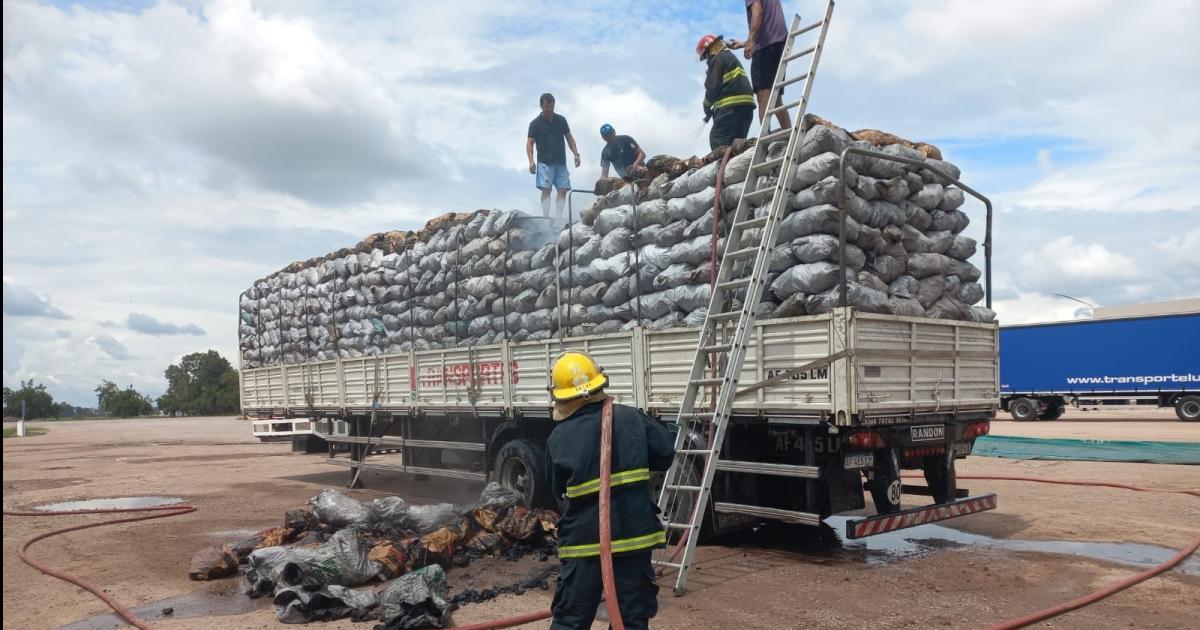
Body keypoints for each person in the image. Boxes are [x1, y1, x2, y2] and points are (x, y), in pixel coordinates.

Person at [546, 351, 675, 630]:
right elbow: (666, 452)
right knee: (631, 620)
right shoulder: (631, 418)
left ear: (560, 395)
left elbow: (556, 490)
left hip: (584, 546)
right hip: (634, 539)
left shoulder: (559, 437)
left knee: (570, 620)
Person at [729, 0, 791, 130]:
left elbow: (757, 12)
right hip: (779, 42)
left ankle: (765, 141)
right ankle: (789, 132)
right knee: (776, 98)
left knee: (763, 95)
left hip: (765, 47)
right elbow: (767, 21)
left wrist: (751, 41)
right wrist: (744, 43)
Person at [696, 34, 756, 151]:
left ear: (710, 50)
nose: (707, 59)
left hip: (730, 109)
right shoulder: (730, 58)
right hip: (746, 109)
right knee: (737, 145)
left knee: (718, 140)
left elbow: (712, 87)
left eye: (706, 56)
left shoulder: (717, 59)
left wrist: (706, 106)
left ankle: (723, 168)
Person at [527, 93, 581, 221]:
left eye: (552, 107)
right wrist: (531, 162)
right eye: (547, 107)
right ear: (541, 106)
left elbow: (569, 137)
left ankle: (558, 218)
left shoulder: (561, 120)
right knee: (547, 189)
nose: (550, 110)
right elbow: (530, 143)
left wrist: (576, 154)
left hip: (560, 163)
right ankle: (546, 218)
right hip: (544, 162)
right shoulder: (535, 124)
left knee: (563, 189)